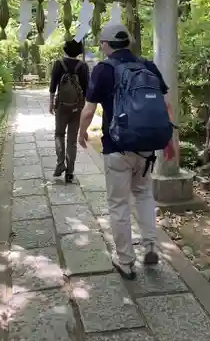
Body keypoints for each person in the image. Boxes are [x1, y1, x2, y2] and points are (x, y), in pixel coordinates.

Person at [78, 24, 176, 280]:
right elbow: (166, 107)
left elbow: (88, 110)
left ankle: (125, 261)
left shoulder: (103, 69)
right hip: (147, 148)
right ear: (129, 42)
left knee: (119, 204)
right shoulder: (148, 66)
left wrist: (81, 132)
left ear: (106, 44)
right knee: (143, 194)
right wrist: (169, 142)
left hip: (117, 146)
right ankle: (151, 245)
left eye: (101, 43)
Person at [49, 39, 89, 183]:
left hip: (61, 105)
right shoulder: (83, 66)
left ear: (65, 50)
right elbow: (87, 89)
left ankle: (60, 163)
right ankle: (70, 173)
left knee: (59, 134)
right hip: (77, 107)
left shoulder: (59, 64)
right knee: (72, 140)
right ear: (79, 51)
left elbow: (53, 85)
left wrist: (51, 103)